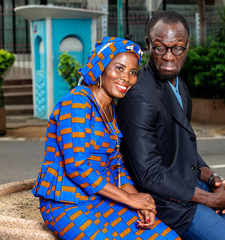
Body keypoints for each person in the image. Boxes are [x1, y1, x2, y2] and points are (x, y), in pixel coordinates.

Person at [116, 11, 225, 240]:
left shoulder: (180, 87)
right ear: (147, 44)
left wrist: (214, 179)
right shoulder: (139, 96)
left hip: (194, 186)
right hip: (172, 205)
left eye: (178, 48)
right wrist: (211, 200)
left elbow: (186, 148)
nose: (169, 56)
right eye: (160, 47)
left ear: (187, 46)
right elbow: (149, 175)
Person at [32, 36, 180, 240]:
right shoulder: (77, 103)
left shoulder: (111, 109)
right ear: (101, 66)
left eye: (133, 72)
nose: (126, 78)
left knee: (167, 237)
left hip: (102, 197)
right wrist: (129, 199)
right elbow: (77, 167)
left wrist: (139, 200)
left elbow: (116, 165)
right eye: (119, 68)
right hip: (66, 203)